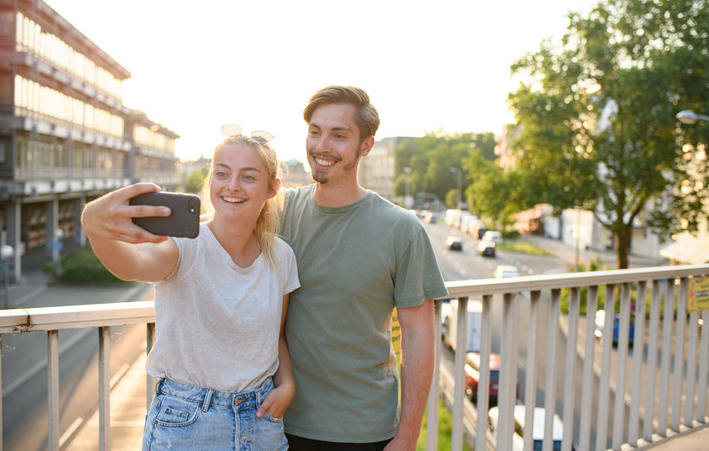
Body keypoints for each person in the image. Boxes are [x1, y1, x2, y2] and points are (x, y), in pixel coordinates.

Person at [81, 130, 300, 451]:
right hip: (187, 423)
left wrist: (288, 384)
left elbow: (274, 336)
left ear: (272, 188)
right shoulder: (184, 244)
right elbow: (134, 265)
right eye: (222, 173)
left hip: (262, 419)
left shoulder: (281, 256)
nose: (232, 185)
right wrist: (94, 225)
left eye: (248, 177)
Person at [279, 85, 448, 451]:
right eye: (315, 131)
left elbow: (418, 337)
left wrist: (406, 437)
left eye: (339, 136)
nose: (322, 146)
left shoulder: (401, 229)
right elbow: (217, 229)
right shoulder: (280, 211)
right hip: (277, 424)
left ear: (365, 146)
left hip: (365, 432)